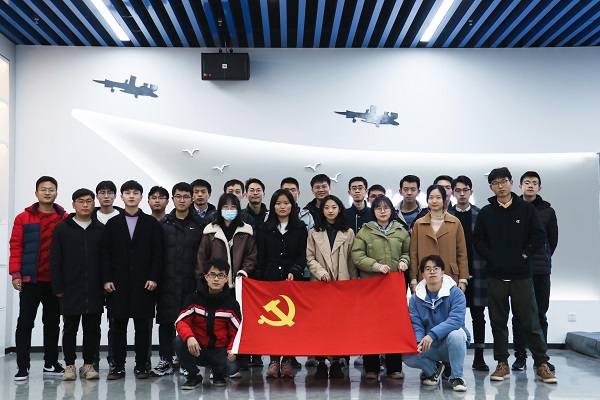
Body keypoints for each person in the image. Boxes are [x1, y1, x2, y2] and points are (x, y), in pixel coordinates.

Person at [473, 167, 557, 383]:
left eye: (503, 181)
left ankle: (541, 363)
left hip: (522, 275)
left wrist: (524, 254)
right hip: (496, 275)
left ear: (511, 183)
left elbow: (539, 236)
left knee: (531, 321)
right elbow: (478, 240)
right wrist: (491, 257)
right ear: (491, 187)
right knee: (498, 322)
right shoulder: (486, 212)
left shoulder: (526, 209)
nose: (500, 186)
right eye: (495, 183)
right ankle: (502, 363)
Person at [101, 180, 163, 380]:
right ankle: (117, 366)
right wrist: (106, 279)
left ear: (141, 197)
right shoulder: (113, 224)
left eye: (135, 193)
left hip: (144, 283)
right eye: (127, 192)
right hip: (117, 284)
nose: (131, 196)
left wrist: (154, 277)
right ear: (121, 197)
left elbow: (158, 253)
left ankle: (142, 365)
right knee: (117, 327)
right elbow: (105, 254)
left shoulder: (151, 223)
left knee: (142, 327)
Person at [9, 176, 68, 381]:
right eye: (43, 189)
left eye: (51, 189)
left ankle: (50, 363)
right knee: (25, 323)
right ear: (36, 193)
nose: (47, 193)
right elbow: (16, 246)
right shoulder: (23, 218)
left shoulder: (64, 218)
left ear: (56, 193)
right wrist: (15, 274)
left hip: (54, 282)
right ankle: (22, 366)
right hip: (30, 281)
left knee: (52, 324)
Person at [196, 192, 256, 375]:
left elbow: (251, 256)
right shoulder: (210, 230)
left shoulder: (246, 230)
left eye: (233, 207)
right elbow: (202, 258)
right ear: (219, 209)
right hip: (215, 286)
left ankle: (240, 359)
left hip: (239, 286)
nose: (229, 210)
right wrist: (204, 280)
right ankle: (215, 360)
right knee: (216, 323)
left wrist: (244, 271)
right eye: (225, 207)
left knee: (239, 323)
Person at [351, 194, 410, 380]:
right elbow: (357, 255)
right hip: (372, 287)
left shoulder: (401, 230)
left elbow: (408, 252)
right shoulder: (365, 231)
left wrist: (404, 261)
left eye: (386, 208)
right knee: (371, 327)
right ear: (373, 211)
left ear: (392, 210)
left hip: (393, 288)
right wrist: (376, 266)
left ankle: (394, 368)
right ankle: (371, 368)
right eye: (378, 208)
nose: (382, 211)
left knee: (393, 327)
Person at [150, 182, 205, 377]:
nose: (182, 200)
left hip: (191, 282)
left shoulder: (199, 225)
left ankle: (185, 360)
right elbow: (156, 255)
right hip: (167, 281)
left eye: (186, 196)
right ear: (172, 199)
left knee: (189, 322)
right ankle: (165, 359)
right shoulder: (163, 224)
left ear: (192, 199)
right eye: (178, 196)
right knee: (166, 321)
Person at [50, 188, 105, 381]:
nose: (85, 205)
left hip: (94, 288)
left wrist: (105, 284)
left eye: (88, 201)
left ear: (94, 204)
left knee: (92, 328)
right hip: (70, 288)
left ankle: (88, 366)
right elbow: (55, 259)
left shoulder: (100, 229)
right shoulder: (62, 228)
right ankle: (70, 366)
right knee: (70, 328)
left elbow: (106, 260)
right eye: (80, 201)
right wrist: (58, 286)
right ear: (73, 204)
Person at [255, 189, 308, 379]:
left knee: (291, 323)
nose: (282, 207)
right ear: (273, 206)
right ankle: (274, 361)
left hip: (293, 281)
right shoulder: (264, 228)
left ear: (292, 205)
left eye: (286, 203)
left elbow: (303, 255)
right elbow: (260, 256)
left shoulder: (300, 228)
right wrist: (259, 278)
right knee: (273, 323)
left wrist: (295, 270)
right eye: (278, 203)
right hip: (270, 280)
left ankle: (287, 361)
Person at [511, 171, 559, 372]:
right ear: (520, 186)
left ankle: (541, 358)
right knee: (518, 316)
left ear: (539, 187)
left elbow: (552, 240)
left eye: (534, 183)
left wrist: (543, 257)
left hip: (541, 270)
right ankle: (520, 356)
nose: (530, 186)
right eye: (526, 182)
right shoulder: (513, 208)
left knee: (540, 314)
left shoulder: (548, 211)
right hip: (518, 270)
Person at [307, 194, 357, 379]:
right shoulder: (314, 232)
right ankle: (321, 362)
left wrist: (352, 284)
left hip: (342, 285)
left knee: (339, 325)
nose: (330, 210)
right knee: (320, 325)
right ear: (322, 210)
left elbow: (352, 260)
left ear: (339, 209)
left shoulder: (348, 232)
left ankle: (337, 361)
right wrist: (320, 272)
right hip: (320, 285)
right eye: (326, 207)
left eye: (334, 207)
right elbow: (309, 258)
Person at [403, 255, 470, 392]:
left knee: (456, 334)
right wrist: (419, 342)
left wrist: (432, 335)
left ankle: (457, 377)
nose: (432, 272)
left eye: (436, 268)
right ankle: (434, 370)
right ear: (423, 274)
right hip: (430, 345)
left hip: (450, 344)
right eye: (428, 269)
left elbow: (455, 320)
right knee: (407, 355)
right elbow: (416, 324)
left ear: (442, 272)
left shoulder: (456, 293)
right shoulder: (415, 299)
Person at [174, 258, 241, 389]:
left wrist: (232, 349)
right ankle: (194, 376)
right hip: (198, 350)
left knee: (232, 367)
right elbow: (181, 321)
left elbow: (237, 332)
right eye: (212, 275)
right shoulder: (193, 299)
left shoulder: (232, 304)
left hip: (220, 351)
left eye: (220, 275)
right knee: (179, 341)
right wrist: (190, 337)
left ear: (226, 279)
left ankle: (218, 373)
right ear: (206, 277)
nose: (216, 279)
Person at [448, 175, 488, 371]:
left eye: (465, 190)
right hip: (453, 275)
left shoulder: (481, 215)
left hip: (478, 272)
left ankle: (479, 357)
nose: (462, 194)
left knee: (478, 316)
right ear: (453, 193)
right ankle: (452, 360)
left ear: (471, 192)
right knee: (454, 317)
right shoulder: (447, 216)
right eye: (458, 190)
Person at [409, 184, 469, 293]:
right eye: (431, 197)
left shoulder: (455, 222)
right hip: (425, 275)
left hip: (449, 274)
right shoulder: (419, 223)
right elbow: (413, 254)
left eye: (438, 197)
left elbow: (462, 253)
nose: (434, 201)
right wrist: (413, 279)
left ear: (444, 199)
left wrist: (463, 279)